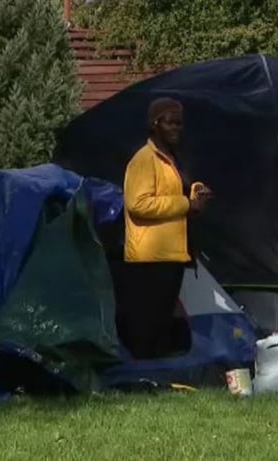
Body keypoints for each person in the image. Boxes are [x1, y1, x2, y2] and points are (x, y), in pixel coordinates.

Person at [117, 97, 212, 359]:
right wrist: (185, 204)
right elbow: (138, 204)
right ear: (154, 124)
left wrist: (196, 196)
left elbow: (171, 193)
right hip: (149, 258)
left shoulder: (171, 159)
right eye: (170, 123)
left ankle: (157, 371)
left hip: (171, 255)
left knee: (162, 324)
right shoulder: (144, 159)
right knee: (146, 325)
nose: (176, 129)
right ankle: (141, 373)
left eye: (180, 123)